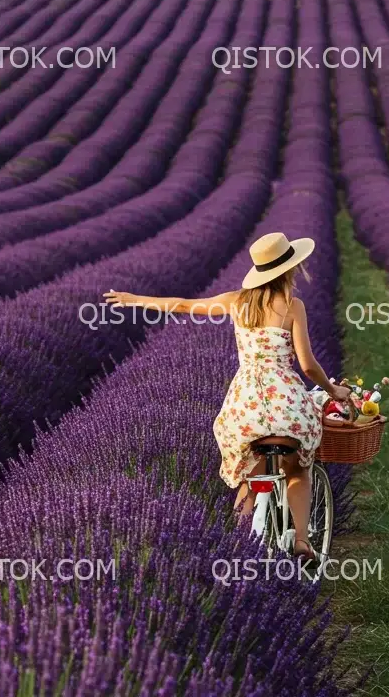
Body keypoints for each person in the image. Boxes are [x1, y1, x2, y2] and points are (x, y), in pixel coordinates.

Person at [104, 232, 351, 560]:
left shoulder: (237, 301)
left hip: (243, 408)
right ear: (289, 270)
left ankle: (239, 549)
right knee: (297, 470)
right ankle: (302, 541)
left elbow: (182, 305)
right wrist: (333, 389)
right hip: (286, 405)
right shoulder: (293, 307)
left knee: (249, 480)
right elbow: (307, 366)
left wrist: (135, 299)